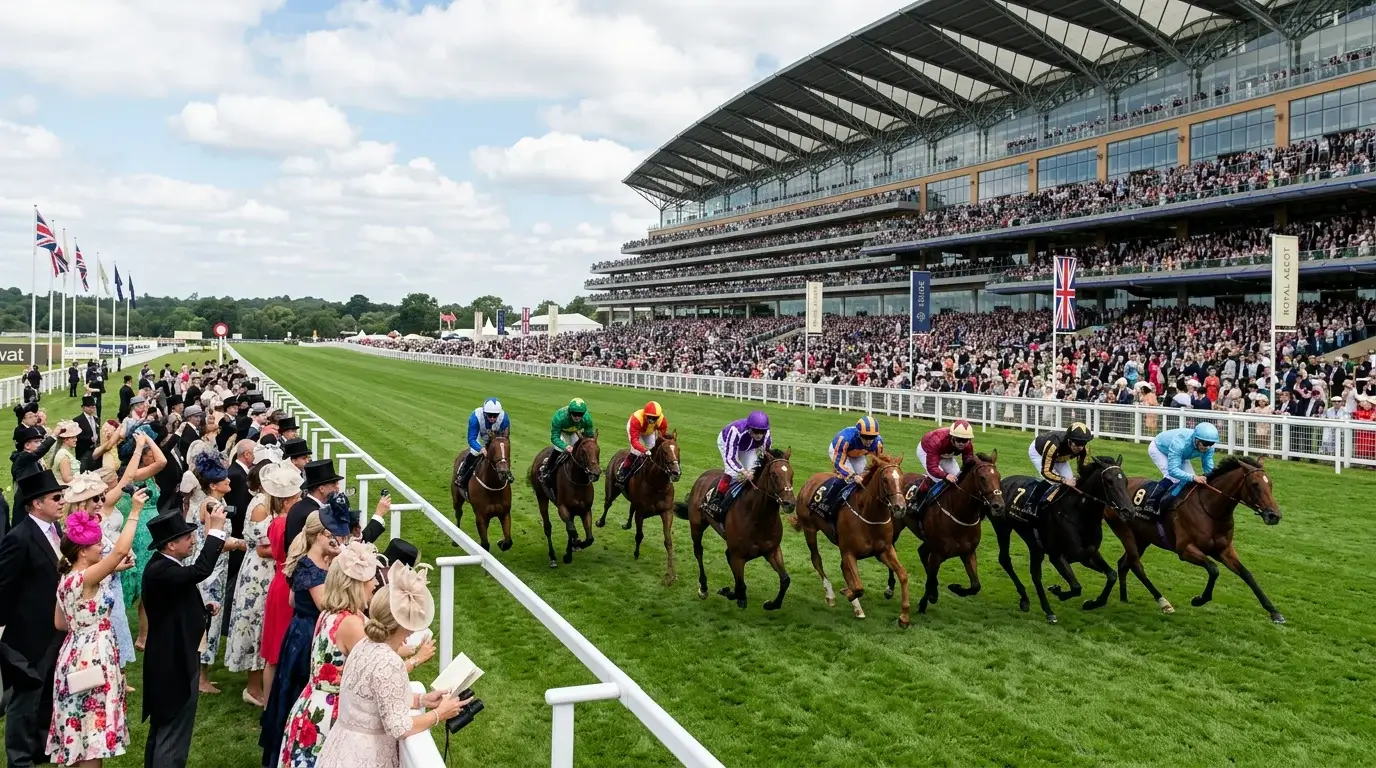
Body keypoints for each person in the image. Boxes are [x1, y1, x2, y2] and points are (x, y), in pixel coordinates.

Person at [278, 542, 426, 768]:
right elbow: (377, 675)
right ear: (357, 585)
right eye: (371, 579)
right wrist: (415, 659)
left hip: (312, 703)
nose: (375, 584)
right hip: (335, 713)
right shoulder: (351, 623)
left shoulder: (331, 612)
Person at [314, 562, 468, 768]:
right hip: (365, 757)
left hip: (341, 747)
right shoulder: (389, 661)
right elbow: (399, 727)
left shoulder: (364, 645)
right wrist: (439, 714)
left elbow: (375, 697)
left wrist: (421, 700)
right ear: (408, 625)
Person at [46, 489, 146, 767]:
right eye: (97, 544)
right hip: (94, 657)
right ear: (82, 551)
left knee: (77, 730)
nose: (102, 547)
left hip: (73, 653)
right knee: (93, 734)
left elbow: (60, 623)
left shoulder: (67, 578)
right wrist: (134, 512)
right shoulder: (85, 579)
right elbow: (120, 551)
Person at [260, 506, 350, 767]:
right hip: (309, 634)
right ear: (320, 535)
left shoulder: (313, 562)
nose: (337, 541)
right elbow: (326, 606)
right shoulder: (309, 567)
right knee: (300, 687)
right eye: (333, 536)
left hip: (304, 629)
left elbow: (292, 600)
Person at [141, 504, 228, 768]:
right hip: (174, 663)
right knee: (173, 734)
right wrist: (216, 531)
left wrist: (202, 610)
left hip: (172, 658)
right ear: (170, 545)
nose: (193, 540)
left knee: (164, 730)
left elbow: (175, 601)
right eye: (187, 537)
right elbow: (199, 571)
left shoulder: (165, 567)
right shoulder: (162, 570)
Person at [0, 470, 68, 768]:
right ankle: (19, 759)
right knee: (24, 701)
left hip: (56, 629)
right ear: (36, 503)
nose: (62, 501)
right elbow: (3, 587)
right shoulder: (18, 538)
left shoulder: (56, 531)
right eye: (56, 497)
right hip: (28, 636)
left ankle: (42, 749)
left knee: (48, 694)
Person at [225, 460, 276, 707]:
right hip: (259, 572)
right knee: (255, 623)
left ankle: (263, 681)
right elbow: (263, 548)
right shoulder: (261, 506)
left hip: (266, 570)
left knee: (264, 623)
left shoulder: (269, 502)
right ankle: (254, 687)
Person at [259, 462, 305, 703]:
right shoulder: (285, 523)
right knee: (279, 649)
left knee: (273, 651)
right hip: (287, 582)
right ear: (286, 501)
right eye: (297, 498)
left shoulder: (275, 521)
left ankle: (269, 703)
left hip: (279, 580)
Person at [1141, 422, 1219, 517]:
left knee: (1189, 483)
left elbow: (1208, 465)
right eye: (1205, 444)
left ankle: (1181, 506)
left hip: (1180, 455)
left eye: (1211, 444)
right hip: (1159, 449)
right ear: (1197, 439)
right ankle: (1151, 503)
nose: (1208, 447)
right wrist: (1193, 477)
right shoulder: (1181, 443)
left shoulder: (1208, 448)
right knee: (1173, 478)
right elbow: (1173, 470)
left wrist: (1213, 479)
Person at [705, 410, 772, 518]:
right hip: (727, 443)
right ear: (749, 428)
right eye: (756, 431)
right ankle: (716, 500)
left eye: (762, 432)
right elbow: (730, 458)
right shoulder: (736, 430)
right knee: (733, 473)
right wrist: (743, 471)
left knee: (753, 472)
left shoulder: (766, 434)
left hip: (749, 448)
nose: (759, 435)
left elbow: (766, 454)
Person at [1024, 422, 1093, 516]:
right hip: (1039, 453)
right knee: (1054, 482)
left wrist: (1079, 477)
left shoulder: (1084, 448)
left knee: (1072, 483)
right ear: (1069, 440)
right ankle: (1030, 504)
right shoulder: (1054, 444)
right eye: (1077, 444)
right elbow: (1046, 471)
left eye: (1083, 444)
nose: (1080, 448)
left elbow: (1084, 469)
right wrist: (1063, 480)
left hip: (1060, 457)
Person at [910, 420, 977, 511]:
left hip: (946, 453)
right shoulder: (936, 441)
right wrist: (945, 475)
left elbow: (968, 460)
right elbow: (932, 467)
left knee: (958, 480)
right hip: (926, 450)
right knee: (940, 480)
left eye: (965, 440)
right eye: (958, 440)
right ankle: (917, 498)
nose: (961, 443)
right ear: (952, 437)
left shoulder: (968, 445)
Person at [455, 398, 510, 495]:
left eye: (495, 416)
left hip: (495, 436)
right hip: (479, 434)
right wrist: (481, 448)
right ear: (484, 413)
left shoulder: (504, 419)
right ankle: (462, 475)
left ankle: (507, 473)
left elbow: (504, 439)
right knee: (475, 452)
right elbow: (471, 439)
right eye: (489, 415)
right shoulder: (475, 417)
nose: (492, 418)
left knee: (501, 452)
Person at [541, 398, 595, 492]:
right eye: (574, 414)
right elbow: (554, 437)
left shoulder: (587, 419)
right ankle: (547, 470)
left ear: (584, 413)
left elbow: (589, 435)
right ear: (570, 412)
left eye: (580, 414)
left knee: (583, 452)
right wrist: (565, 446)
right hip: (562, 433)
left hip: (575, 432)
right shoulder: (559, 417)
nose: (577, 417)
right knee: (559, 450)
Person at [616, 400, 668, 486]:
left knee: (654, 451)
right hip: (636, 429)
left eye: (654, 418)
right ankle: (623, 471)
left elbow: (661, 435)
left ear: (658, 417)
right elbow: (634, 440)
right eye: (649, 417)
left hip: (650, 431)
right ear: (645, 414)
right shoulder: (636, 419)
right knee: (636, 452)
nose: (651, 420)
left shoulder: (662, 420)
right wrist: (644, 450)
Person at [829, 416, 883, 481]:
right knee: (848, 478)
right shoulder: (845, 439)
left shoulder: (878, 442)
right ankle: (832, 486)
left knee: (863, 477)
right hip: (838, 450)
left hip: (857, 454)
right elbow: (839, 464)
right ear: (858, 434)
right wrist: (852, 476)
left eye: (872, 437)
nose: (869, 441)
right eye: (865, 437)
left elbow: (880, 463)